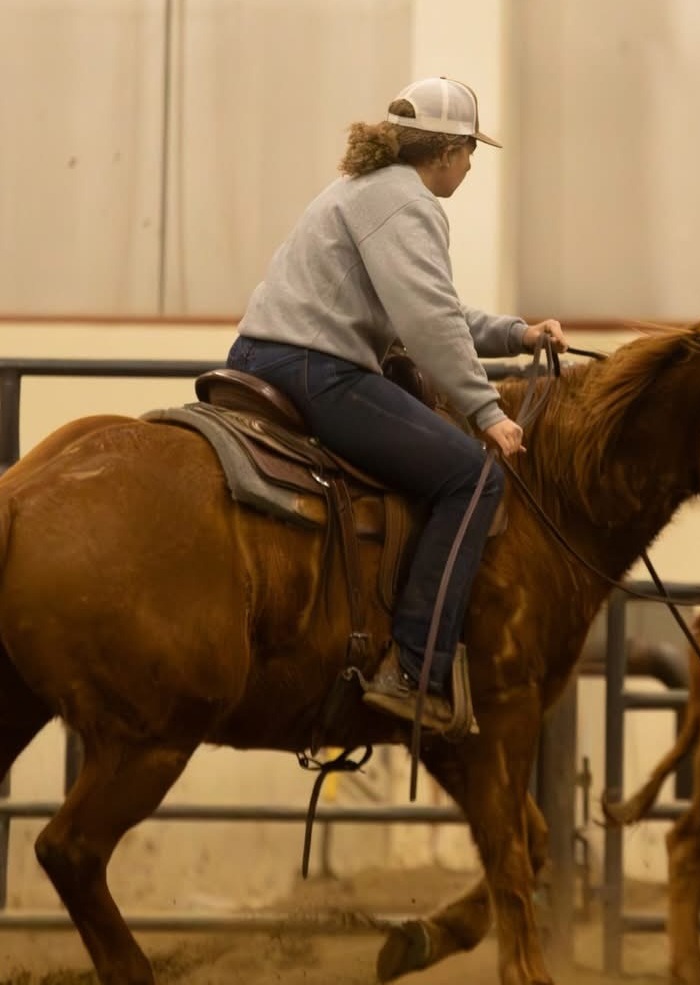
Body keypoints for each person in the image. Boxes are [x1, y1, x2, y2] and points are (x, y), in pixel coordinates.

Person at [225, 76, 567, 738]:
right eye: (470, 152)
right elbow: (429, 320)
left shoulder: (367, 191)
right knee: (474, 477)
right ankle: (415, 668)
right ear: (446, 152)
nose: (470, 166)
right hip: (315, 369)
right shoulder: (407, 204)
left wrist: (517, 333)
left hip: (266, 355)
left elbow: (435, 311)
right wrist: (487, 412)